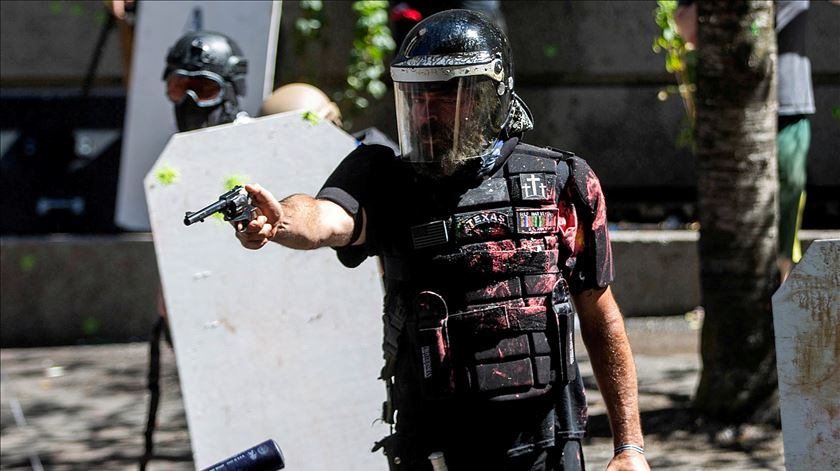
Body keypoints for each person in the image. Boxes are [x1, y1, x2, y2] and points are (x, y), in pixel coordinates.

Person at [232, 10, 648, 471]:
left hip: (545, 447)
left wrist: (629, 447)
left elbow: (599, 312)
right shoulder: (383, 178)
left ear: (492, 95)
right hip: (435, 450)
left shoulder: (561, 182)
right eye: (416, 95)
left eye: (446, 94)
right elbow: (327, 218)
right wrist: (282, 219)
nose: (426, 112)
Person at [142, 30, 250, 471]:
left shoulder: (262, 143)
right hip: (207, 316)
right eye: (177, 87)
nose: (187, 102)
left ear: (229, 92)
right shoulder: (175, 162)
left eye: (203, 89)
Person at [674, 0, 816, 282]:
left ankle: (782, 285)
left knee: (789, 188)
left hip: (790, 100)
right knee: (739, 204)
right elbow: (687, 29)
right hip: (736, 109)